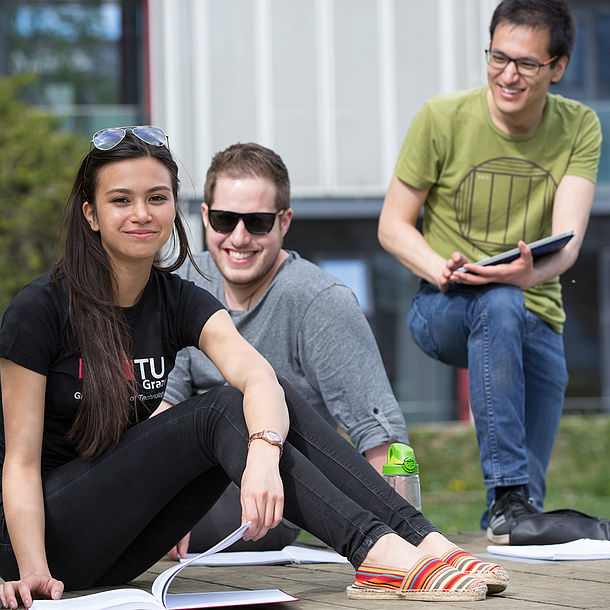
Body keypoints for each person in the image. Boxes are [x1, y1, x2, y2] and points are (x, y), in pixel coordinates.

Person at [0, 126, 508, 608]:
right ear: (90, 214)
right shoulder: (41, 309)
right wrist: (33, 570)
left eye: (157, 198)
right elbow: (19, 461)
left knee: (268, 392)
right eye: (121, 200)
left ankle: (425, 540)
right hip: (43, 540)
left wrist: (264, 456)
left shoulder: (179, 298)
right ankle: (379, 555)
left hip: (118, 547)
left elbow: (259, 377)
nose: (142, 213)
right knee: (215, 409)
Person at [378, 0, 602, 544]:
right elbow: (392, 226)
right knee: (497, 306)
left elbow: (568, 244)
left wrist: (524, 276)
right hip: (443, 305)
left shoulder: (580, 126)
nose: (508, 74)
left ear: (558, 66)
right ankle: (504, 495)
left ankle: (507, 516)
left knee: (526, 517)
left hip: (537, 311)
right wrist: (442, 268)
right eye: (498, 57)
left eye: (526, 63)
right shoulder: (442, 117)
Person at [161, 142, 410, 556]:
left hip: (273, 490)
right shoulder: (185, 283)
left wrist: (396, 540)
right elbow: (163, 407)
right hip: (188, 475)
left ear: (284, 221)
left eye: (257, 222)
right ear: (204, 216)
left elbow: (379, 436)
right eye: (224, 219)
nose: (238, 238)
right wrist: (158, 497)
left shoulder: (319, 300)